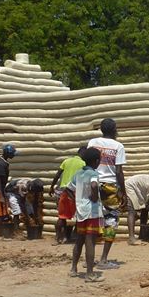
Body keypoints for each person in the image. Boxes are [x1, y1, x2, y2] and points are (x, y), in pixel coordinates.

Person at [87, 119, 126, 269]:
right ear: (115, 129)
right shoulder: (118, 146)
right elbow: (119, 171)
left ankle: (89, 259)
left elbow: (87, 162)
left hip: (92, 184)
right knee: (111, 222)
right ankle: (103, 259)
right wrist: (123, 192)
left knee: (92, 222)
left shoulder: (92, 142)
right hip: (109, 188)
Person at [69, 148, 104, 282]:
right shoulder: (93, 173)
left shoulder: (78, 173)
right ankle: (89, 273)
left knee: (79, 240)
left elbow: (69, 189)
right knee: (90, 241)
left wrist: (78, 200)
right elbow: (94, 186)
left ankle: (73, 269)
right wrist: (94, 197)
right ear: (96, 161)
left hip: (80, 211)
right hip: (91, 212)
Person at [49, 146, 87, 244]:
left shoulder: (66, 161)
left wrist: (52, 187)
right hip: (76, 191)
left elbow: (58, 174)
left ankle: (59, 238)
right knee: (80, 215)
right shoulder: (83, 163)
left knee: (62, 216)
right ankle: (75, 236)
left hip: (62, 191)